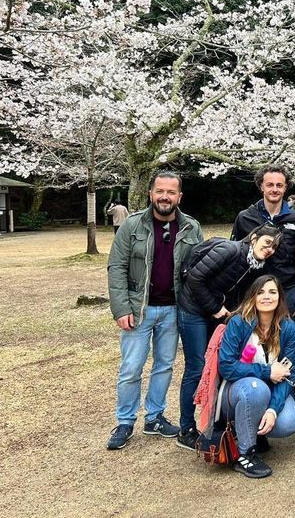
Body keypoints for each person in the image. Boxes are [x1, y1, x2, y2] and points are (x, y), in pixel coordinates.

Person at [106, 171, 204, 450]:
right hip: (139, 309)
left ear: (179, 197)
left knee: (164, 366)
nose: (165, 197)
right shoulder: (132, 225)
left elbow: (201, 266)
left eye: (171, 192)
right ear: (151, 194)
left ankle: (155, 416)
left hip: (174, 310)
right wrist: (121, 307)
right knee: (131, 368)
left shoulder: (191, 228)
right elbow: (117, 268)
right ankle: (125, 421)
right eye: (160, 191)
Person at [174, 224, 282, 450]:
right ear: (254, 238)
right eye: (267, 243)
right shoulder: (229, 250)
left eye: (275, 247)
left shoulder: (257, 266)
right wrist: (214, 307)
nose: (270, 249)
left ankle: (222, 426)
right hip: (193, 309)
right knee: (197, 367)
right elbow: (195, 278)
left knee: (219, 366)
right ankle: (186, 428)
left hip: (218, 313)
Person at [218, 275, 295, 479]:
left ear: (280, 297)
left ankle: (254, 430)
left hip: (269, 392)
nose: (267, 297)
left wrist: (273, 409)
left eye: (272, 292)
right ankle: (245, 454)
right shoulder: (239, 323)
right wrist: (267, 372)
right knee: (257, 388)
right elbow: (226, 366)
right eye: (261, 292)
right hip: (236, 392)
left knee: (289, 421)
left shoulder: (288, 328)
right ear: (252, 297)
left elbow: (289, 373)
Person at [230, 166, 295, 323]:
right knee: (253, 343)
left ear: (285, 187)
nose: (274, 189)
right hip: (253, 290)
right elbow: (234, 258)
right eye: (270, 185)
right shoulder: (245, 217)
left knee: (286, 341)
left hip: (287, 291)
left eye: (279, 185)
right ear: (261, 186)